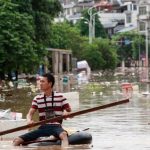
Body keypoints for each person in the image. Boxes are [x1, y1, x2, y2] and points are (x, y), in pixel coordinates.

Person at [13, 73, 72, 147]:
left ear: (50, 84)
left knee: (64, 135)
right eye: (40, 81)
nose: (40, 84)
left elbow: (68, 110)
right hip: (43, 127)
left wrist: (66, 113)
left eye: (43, 81)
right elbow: (30, 114)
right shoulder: (37, 98)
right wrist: (29, 120)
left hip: (56, 127)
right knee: (17, 140)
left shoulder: (60, 97)